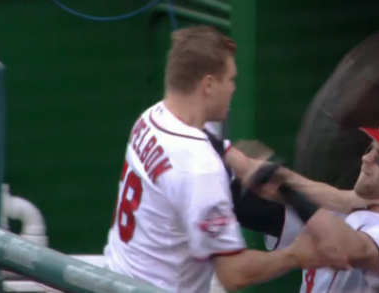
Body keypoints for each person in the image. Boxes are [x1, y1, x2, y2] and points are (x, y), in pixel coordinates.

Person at [103, 25, 335, 293]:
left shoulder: (149, 119)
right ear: (209, 84)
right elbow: (233, 274)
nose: (233, 88)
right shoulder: (201, 168)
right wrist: (296, 254)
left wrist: (234, 157)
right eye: (230, 79)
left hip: (120, 277)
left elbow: (204, 149)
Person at [241, 112, 379, 293]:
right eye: (370, 149)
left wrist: (287, 183)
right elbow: (256, 210)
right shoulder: (345, 214)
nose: (366, 159)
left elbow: (345, 250)